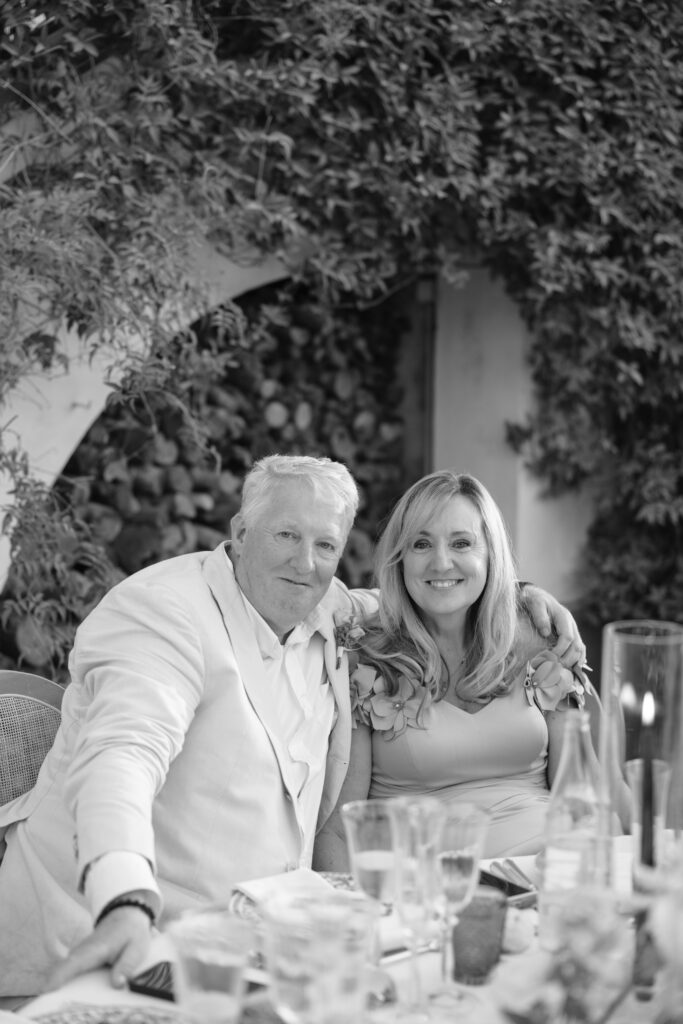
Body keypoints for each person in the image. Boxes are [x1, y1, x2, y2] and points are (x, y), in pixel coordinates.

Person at [0, 455, 582, 997]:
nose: (305, 563)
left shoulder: (327, 608)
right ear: (240, 531)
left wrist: (521, 596)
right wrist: (123, 898)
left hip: (250, 957)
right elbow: (121, 757)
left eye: (325, 544)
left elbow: (432, 593)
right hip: (94, 952)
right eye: (285, 535)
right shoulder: (163, 613)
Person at [313, 469, 604, 871]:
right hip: (426, 888)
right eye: (421, 544)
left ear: (490, 554)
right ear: (400, 559)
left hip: (545, 874)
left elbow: (584, 800)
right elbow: (341, 829)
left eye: (462, 543)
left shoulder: (538, 640)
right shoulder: (368, 661)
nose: (441, 562)